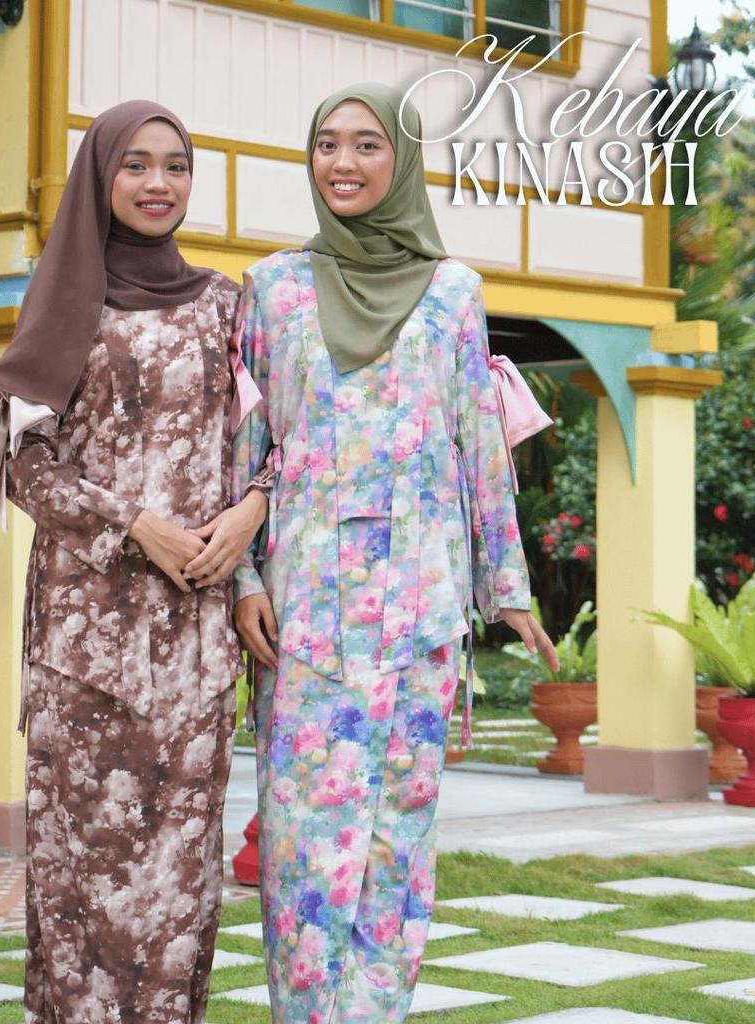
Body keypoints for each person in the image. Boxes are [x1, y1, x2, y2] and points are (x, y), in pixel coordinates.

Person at [230, 83, 560, 1022]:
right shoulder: (272, 288)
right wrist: (242, 580)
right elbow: (241, 453)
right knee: (304, 849)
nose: (343, 162)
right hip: (303, 614)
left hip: (423, 611)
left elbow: (479, 444)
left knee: (397, 848)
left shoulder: (456, 292)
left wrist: (508, 589)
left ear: (403, 160)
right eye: (327, 143)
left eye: (368, 144)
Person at [0, 100, 267, 1024]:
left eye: (175, 165)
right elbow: (22, 464)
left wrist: (251, 517)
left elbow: (273, 444)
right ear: (100, 178)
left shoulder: (228, 305)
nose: (157, 183)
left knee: (181, 886)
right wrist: (137, 523)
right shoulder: (65, 298)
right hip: (84, 647)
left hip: (194, 640)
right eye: (134, 164)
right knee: (82, 887)